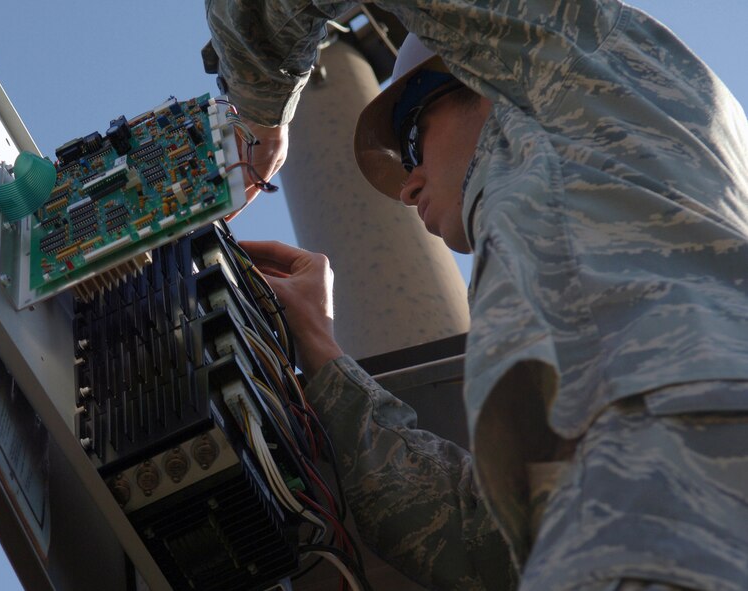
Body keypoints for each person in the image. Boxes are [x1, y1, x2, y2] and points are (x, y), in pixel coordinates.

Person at [205, 1, 748, 590]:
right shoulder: (550, 272)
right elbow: (466, 537)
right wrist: (319, 348)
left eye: (412, 144)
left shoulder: (577, 61)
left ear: (479, 72)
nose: (408, 185)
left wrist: (255, 121)